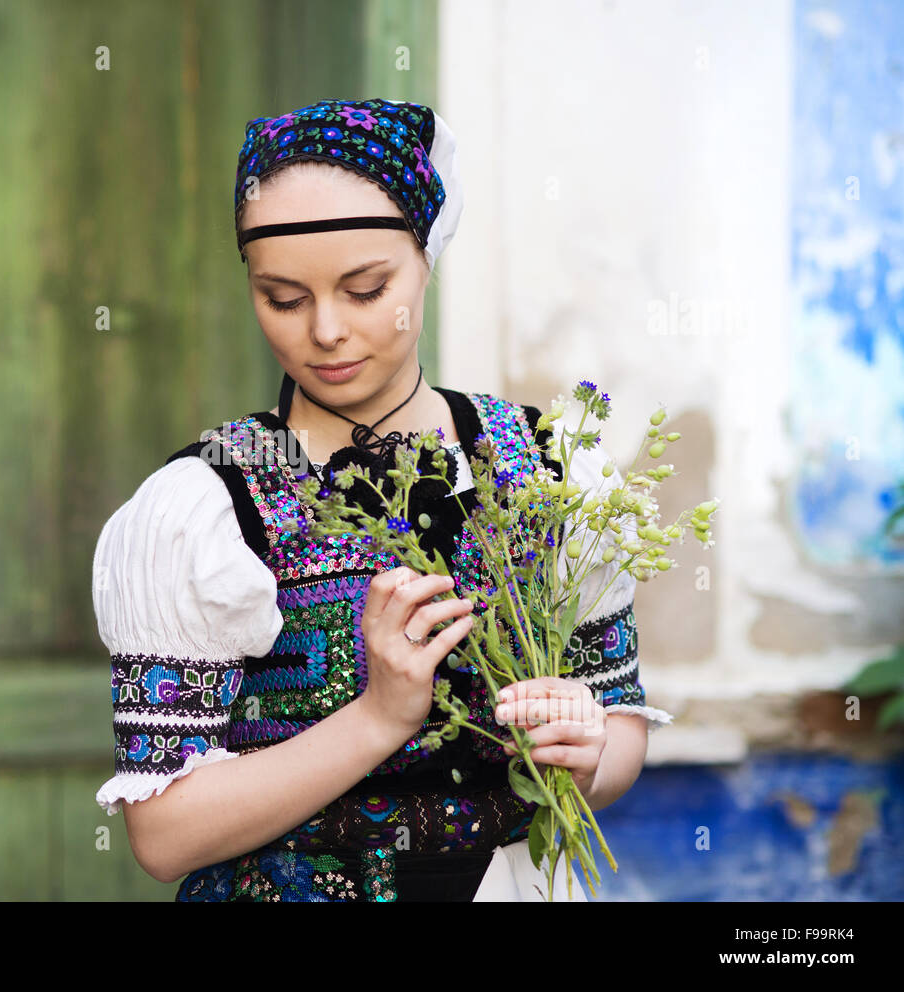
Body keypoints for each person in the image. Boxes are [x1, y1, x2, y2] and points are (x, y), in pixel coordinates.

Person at [91, 97, 673, 902]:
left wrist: (582, 747)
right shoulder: (208, 505)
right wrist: (379, 717)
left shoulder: (550, 469)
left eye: (366, 289)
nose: (325, 331)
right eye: (283, 298)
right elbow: (164, 835)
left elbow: (619, 734)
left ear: (427, 257)